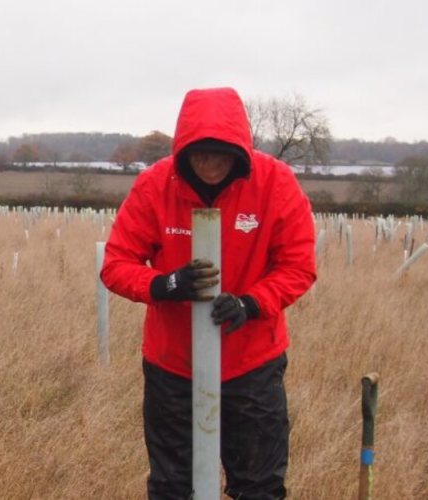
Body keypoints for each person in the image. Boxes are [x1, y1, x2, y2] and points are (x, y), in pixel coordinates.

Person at [100, 87, 316, 500]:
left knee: (260, 487)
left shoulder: (275, 184)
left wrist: (251, 304)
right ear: (182, 150)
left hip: (251, 364)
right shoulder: (154, 186)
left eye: (221, 154)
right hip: (172, 365)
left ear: (240, 152)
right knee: (172, 487)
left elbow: (298, 265)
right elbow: (115, 264)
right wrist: (164, 285)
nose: (211, 164)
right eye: (200, 154)